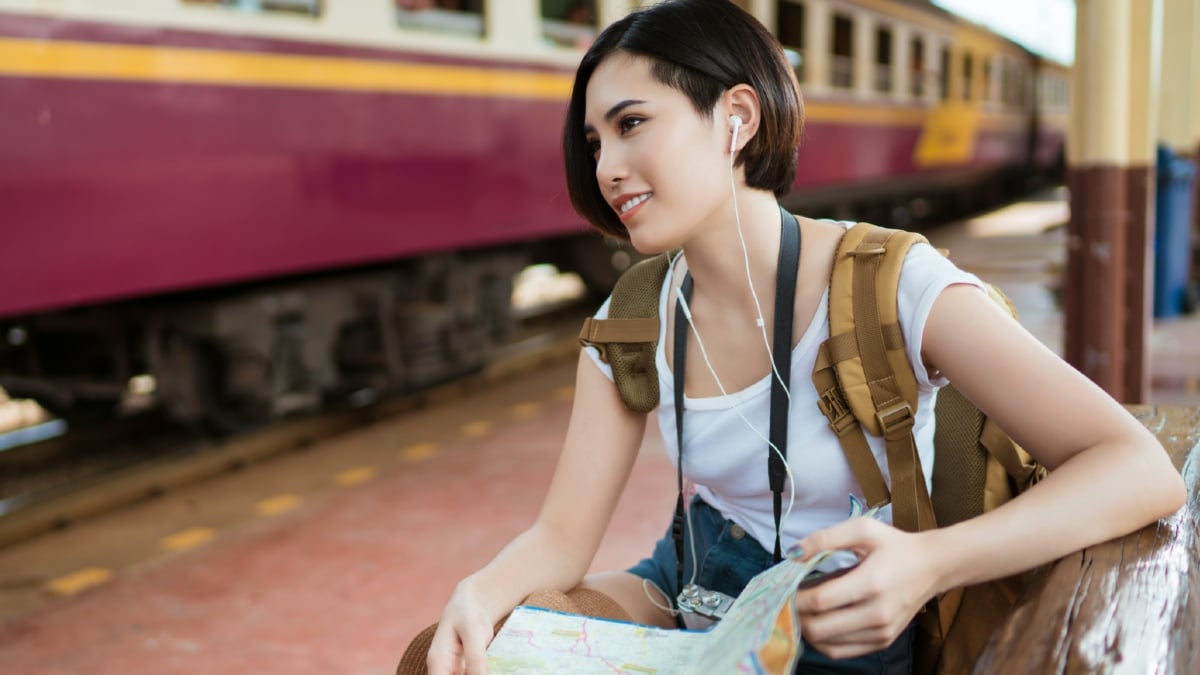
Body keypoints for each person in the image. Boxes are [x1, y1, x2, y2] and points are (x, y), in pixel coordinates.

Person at [423, 1, 1187, 673]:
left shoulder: (893, 283)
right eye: (594, 143)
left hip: (856, 612)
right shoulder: (634, 316)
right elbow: (562, 537)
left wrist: (928, 563)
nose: (608, 168)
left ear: (738, 118)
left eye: (631, 124)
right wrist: (480, 591)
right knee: (445, 651)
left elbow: (1138, 469)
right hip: (694, 580)